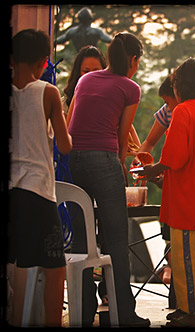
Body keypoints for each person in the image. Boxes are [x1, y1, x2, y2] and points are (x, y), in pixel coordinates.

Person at [66, 31, 149, 327]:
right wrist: (121, 167)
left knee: (81, 239)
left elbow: (68, 125)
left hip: (74, 160)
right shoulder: (129, 87)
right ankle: (122, 313)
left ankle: (82, 310)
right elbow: (122, 135)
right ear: (133, 60)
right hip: (104, 159)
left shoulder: (84, 80)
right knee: (116, 239)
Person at [140, 58, 195, 328]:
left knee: (186, 260)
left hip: (186, 197)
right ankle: (190, 307)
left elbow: (173, 158)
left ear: (180, 85)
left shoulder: (183, 111)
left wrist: (148, 171)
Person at [8, 29, 72, 327]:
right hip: (37, 190)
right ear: (46, 62)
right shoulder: (48, 92)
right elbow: (64, 145)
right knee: (54, 267)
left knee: (15, 264)